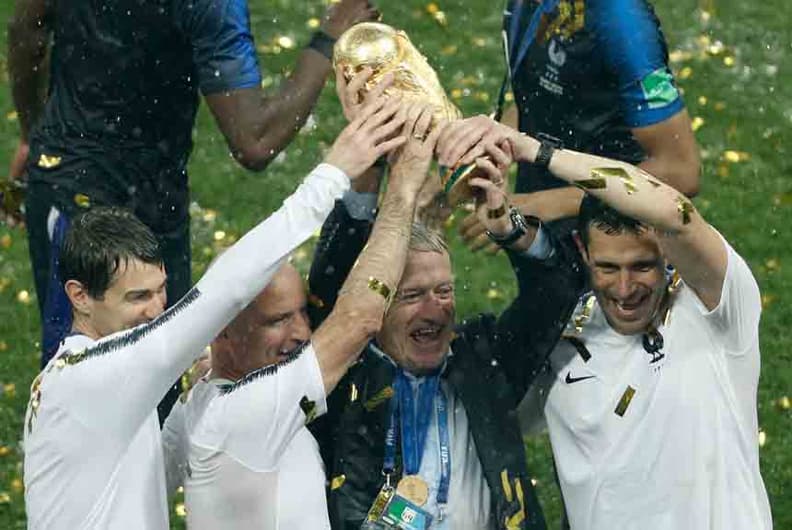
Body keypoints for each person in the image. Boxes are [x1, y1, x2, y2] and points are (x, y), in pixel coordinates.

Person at [22, 99, 406, 530]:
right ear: (80, 296)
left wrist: (198, 399)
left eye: (160, 292)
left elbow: (159, 471)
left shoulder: (93, 380)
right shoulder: (96, 376)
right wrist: (332, 173)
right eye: (135, 298)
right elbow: (226, 290)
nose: (154, 312)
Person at [440, 115, 773, 530]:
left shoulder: (717, 309)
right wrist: (509, 228)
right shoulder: (561, 338)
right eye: (608, 267)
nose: (625, 287)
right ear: (582, 251)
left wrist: (534, 151)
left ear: (667, 252)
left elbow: (673, 209)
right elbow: (484, 413)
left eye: (643, 266)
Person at [6, 0, 378, 370]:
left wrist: (34, 136)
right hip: (137, 204)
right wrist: (329, 38)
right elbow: (255, 139)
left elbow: (28, 28)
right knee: (113, 388)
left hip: (71, 189)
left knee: (82, 382)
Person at [162, 105, 442, 529]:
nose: (301, 333)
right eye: (277, 320)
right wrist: (404, 184)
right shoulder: (246, 413)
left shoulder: (201, 400)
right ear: (222, 333)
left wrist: (372, 158)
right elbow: (360, 318)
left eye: (300, 313)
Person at [305, 118, 588, 528]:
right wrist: (373, 166)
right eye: (414, 295)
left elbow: (556, 291)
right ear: (376, 309)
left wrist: (509, 229)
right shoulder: (343, 375)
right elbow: (329, 284)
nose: (435, 309)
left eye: (444, 291)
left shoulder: (484, 363)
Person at [458, 0, 701, 253]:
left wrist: (546, 203)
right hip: (547, 236)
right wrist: (478, 157)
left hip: (613, 245)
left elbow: (681, 171)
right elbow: (541, 94)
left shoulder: (621, 19)